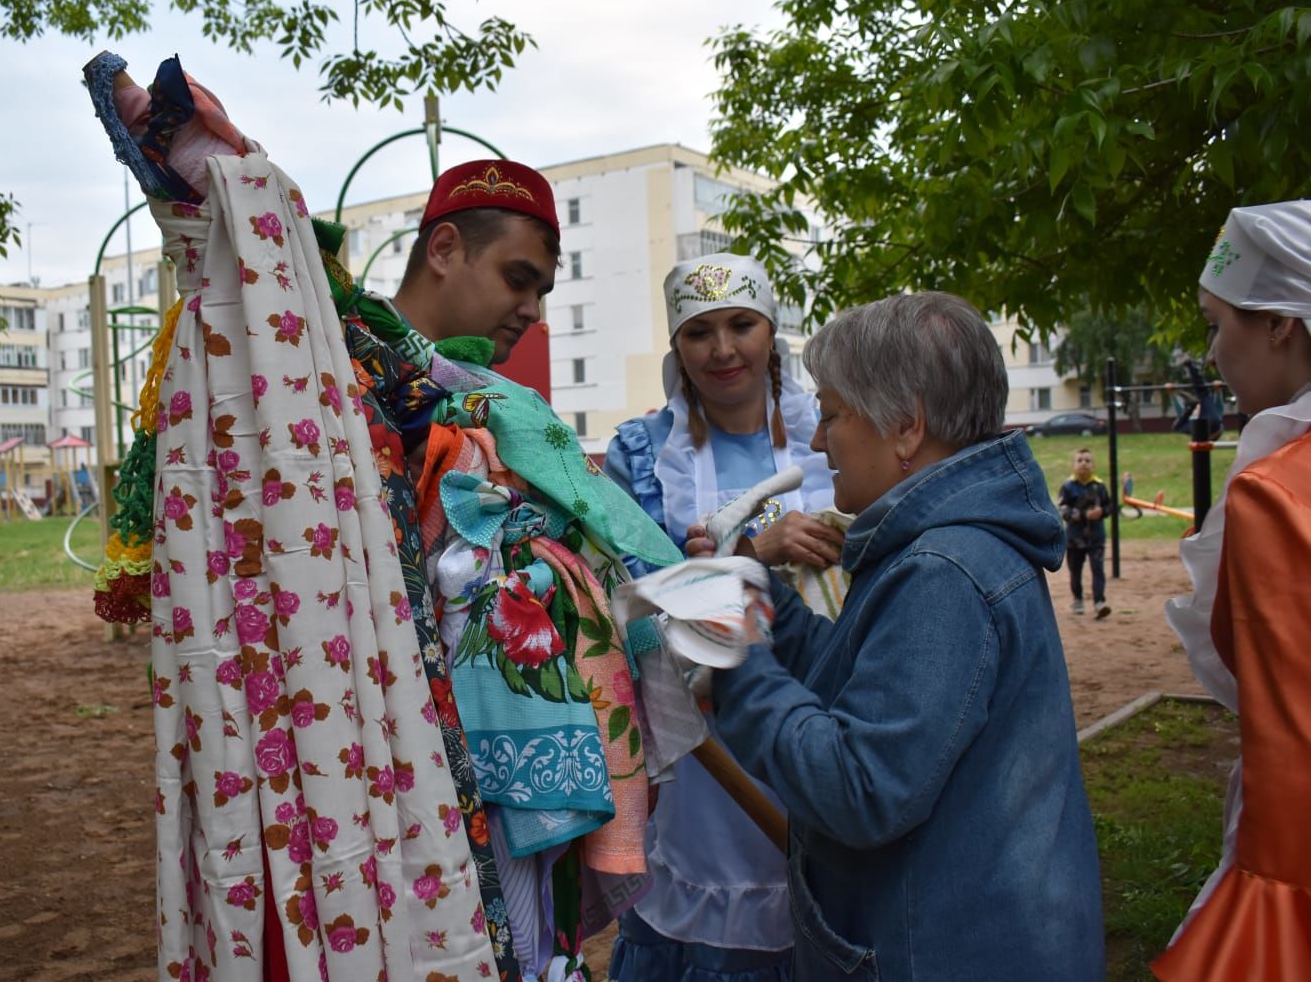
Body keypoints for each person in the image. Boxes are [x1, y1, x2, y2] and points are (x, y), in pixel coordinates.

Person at [84, 52, 681, 982]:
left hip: (513, 763)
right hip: (373, 743)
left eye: (543, 290)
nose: (530, 307)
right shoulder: (326, 378)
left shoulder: (495, 403)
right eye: (518, 277)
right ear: (444, 247)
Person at [688, 292, 1105, 982]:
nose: (819, 442)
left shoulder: (943, 572)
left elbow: (861, 787)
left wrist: (735, 656)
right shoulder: (947, 549)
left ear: (906, 427)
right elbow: (870, 683)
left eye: (830, 416)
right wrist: (762, 608)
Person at [602, 253, 841, 981]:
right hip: (699, 742)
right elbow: (630, 599)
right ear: (678, 347)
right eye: (700, 332)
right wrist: (751, 554)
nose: (724, 349)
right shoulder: (641, 453)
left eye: (742, 325)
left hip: (825, 705)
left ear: (773, 333)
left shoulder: (834, 433)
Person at [1153, 201, 1311, 981]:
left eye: (1218, 325)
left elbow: (1242, 673)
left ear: (1281, 324)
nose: (1214, 352)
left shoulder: (1275, 494)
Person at [1058, 448, 1112, 619]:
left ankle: (1099, 602)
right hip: (1074, 538)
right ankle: (1078, 599)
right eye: (1080, 460)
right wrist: (1082, 515)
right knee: (1075, 570)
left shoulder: (1100, 486)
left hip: (1096, 537)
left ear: (1093, 465)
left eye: (1088, 460)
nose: (1083, 463)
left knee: (1098, 569)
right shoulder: (1068, 487)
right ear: (1073, 465)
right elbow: (1062, 510)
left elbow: (1109, 507)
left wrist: (1101, 511)